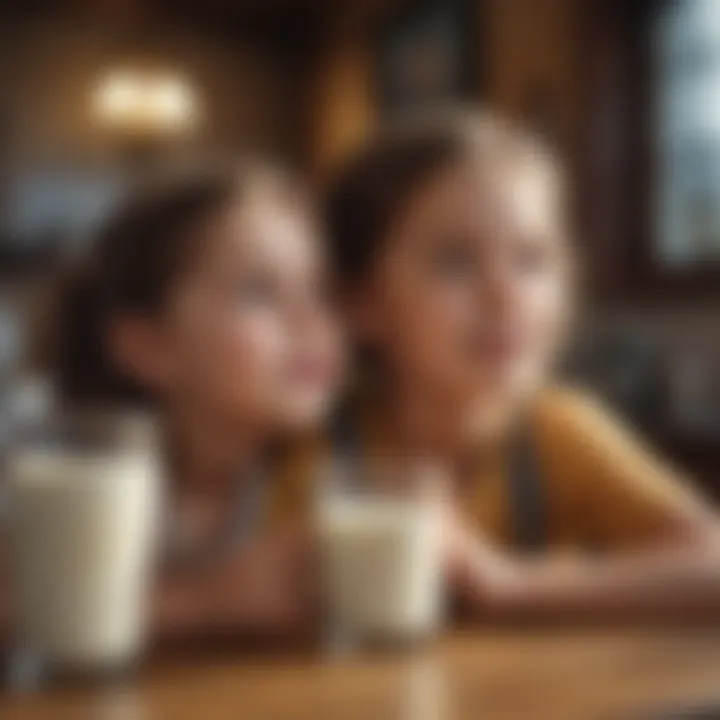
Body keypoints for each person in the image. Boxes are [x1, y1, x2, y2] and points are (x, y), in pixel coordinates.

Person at [324, 108, 720, 622]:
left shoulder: (557, 428)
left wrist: (510, 585)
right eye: (455, 260)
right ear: (363, 304)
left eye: (532, 259)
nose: (505, 295)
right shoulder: (323, 450)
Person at [53, 165, 343, 637]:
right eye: (259, 293)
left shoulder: (334, 468)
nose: (311, 319)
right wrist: (210, 599)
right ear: (147, 348)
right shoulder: (67, 474)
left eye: (318, 290)